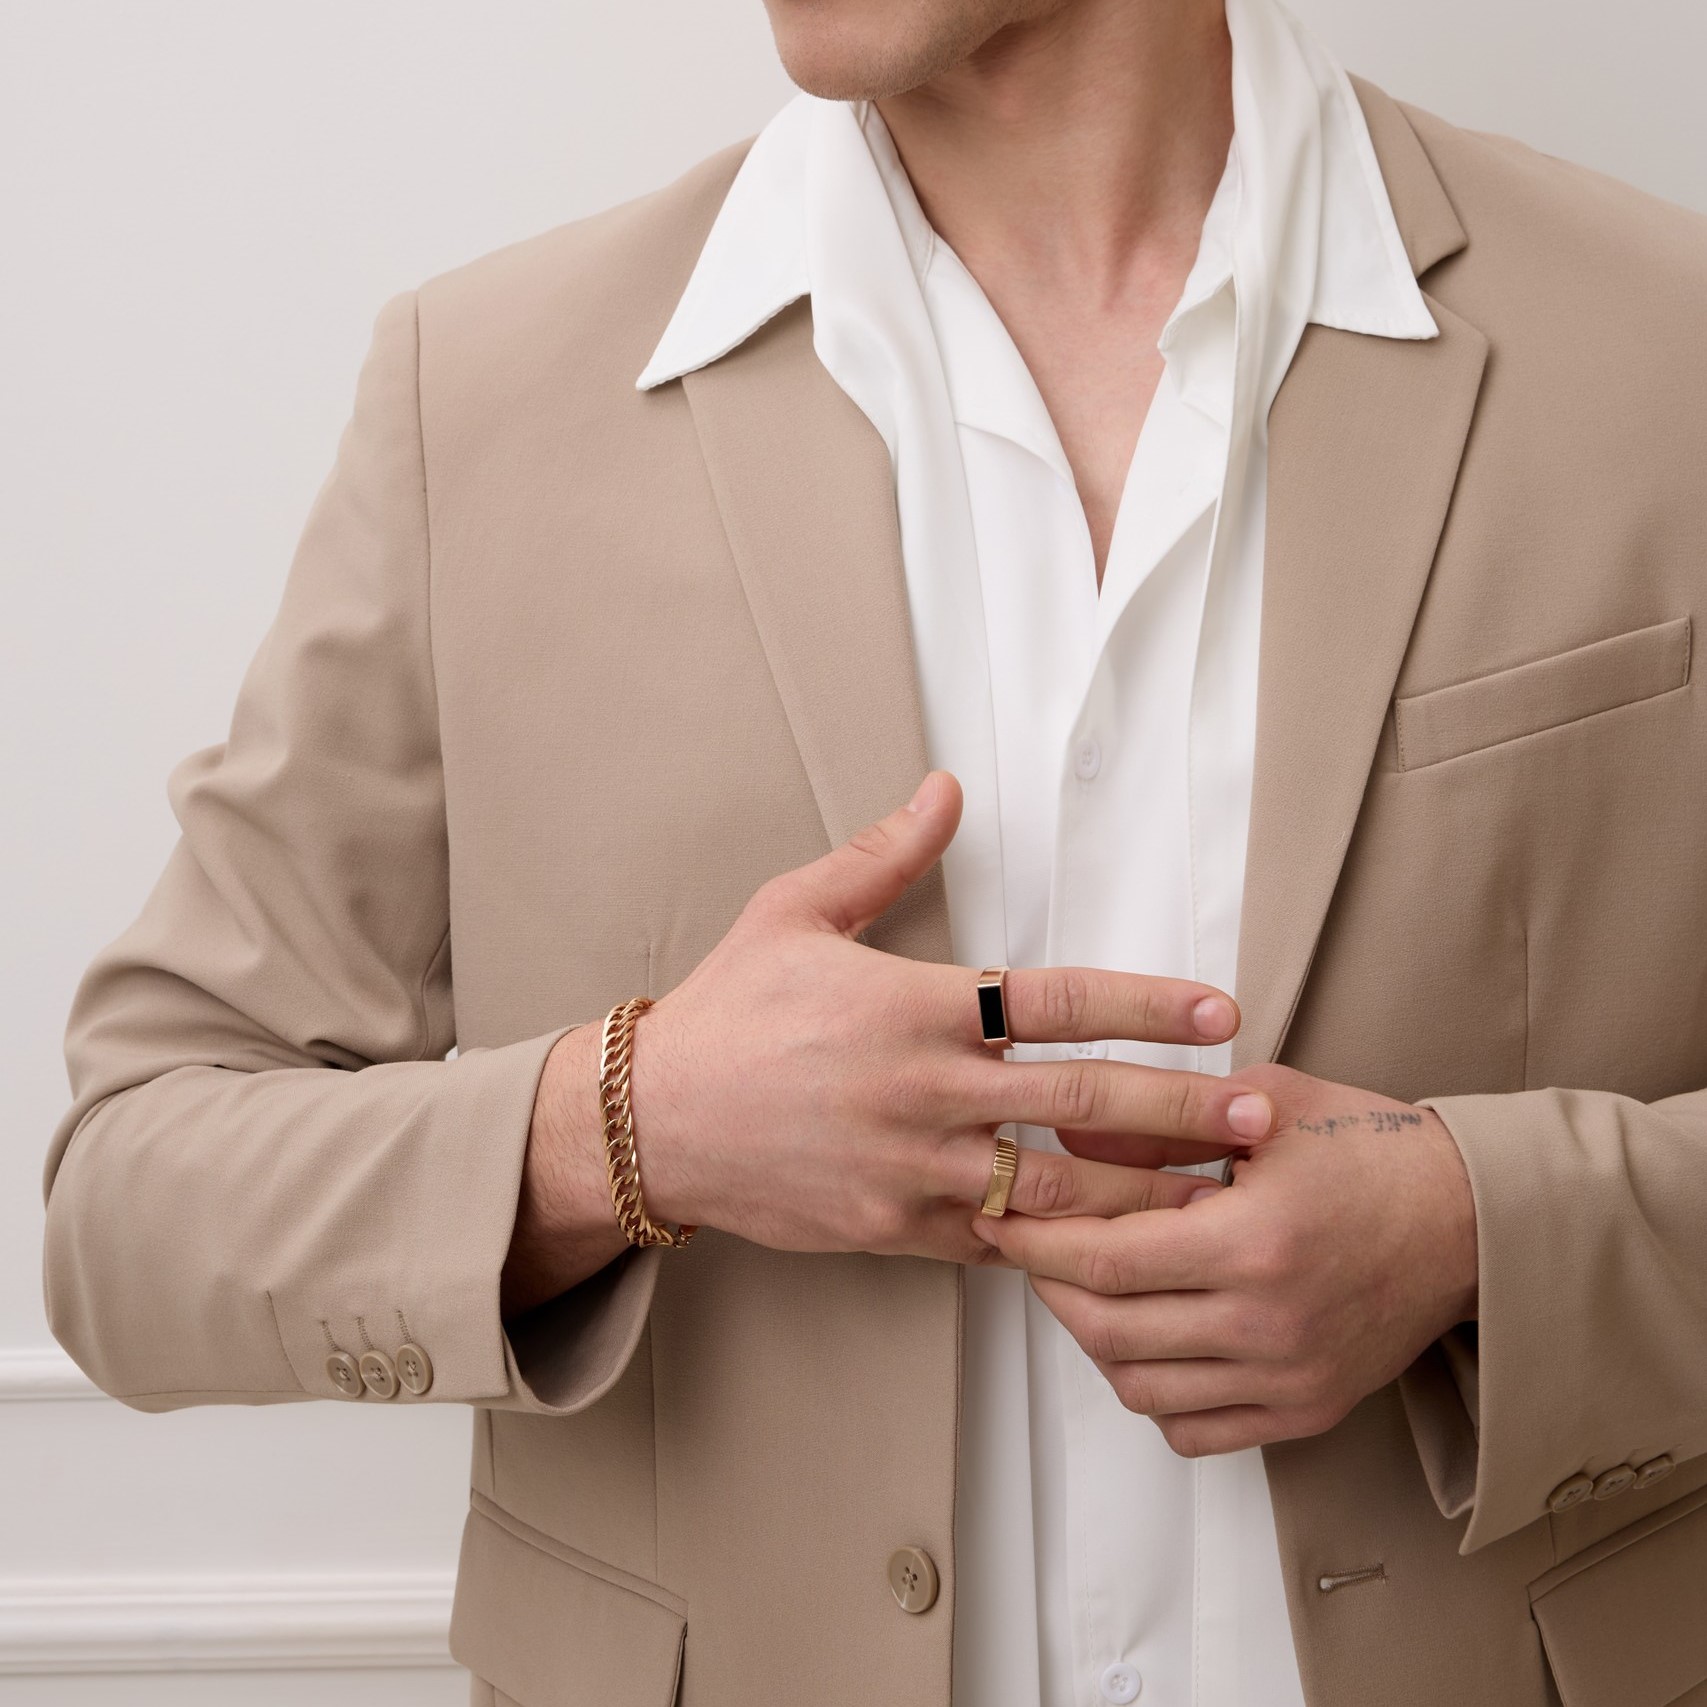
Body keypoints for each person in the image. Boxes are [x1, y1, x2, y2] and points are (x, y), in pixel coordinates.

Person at [40, 0, 1707, 1700]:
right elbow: (130, 1204)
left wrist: (1478, 1232)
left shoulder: (1665, 353)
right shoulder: (475, 400)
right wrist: (631, 1124)